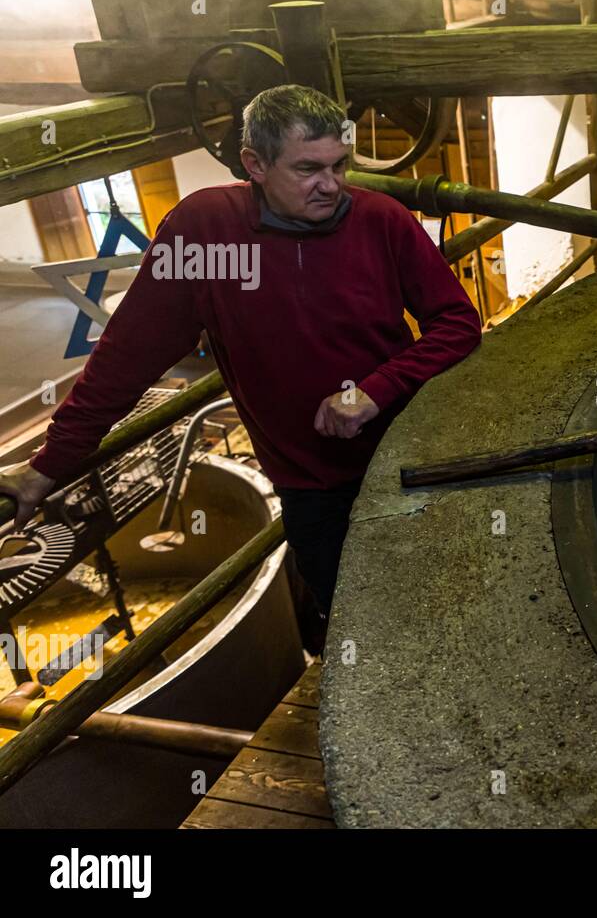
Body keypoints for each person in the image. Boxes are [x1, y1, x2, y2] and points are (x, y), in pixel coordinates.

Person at [0, 84, 482, 653]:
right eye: (308, 168)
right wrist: (46, 466)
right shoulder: (204, 232)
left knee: (435, 588)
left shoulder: (382, 220)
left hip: (404, 451)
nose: (332, 185)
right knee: (352, 613)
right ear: (254, 164)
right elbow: (124, 361)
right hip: (309, 482)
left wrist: (375, 391)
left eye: (339, 165)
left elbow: (457, 322)